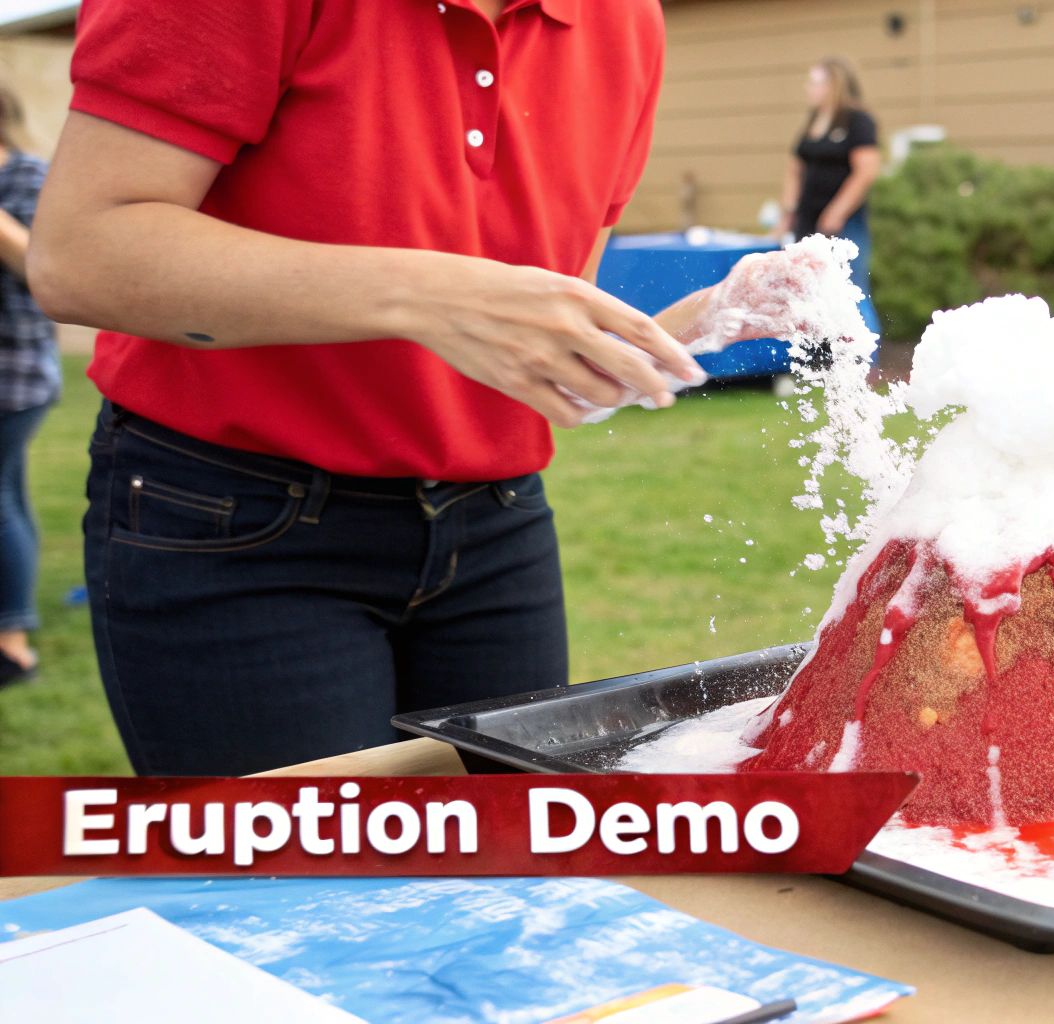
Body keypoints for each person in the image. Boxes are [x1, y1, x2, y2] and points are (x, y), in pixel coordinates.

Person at [28, 0, 819, 775]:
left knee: (518, 888)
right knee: (316, 898)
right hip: (236, 521)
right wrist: (429, 294)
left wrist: (694, 327)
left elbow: (531, 344)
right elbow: (79, 255)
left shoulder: (625, 21)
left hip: (495, 527)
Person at [0, 82, 55, 690]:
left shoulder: (27, 177)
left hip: (13, 375)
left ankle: (11, 642)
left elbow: (44, 267)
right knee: (6, 498)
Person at [780, 57, 882, 335]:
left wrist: (837, 211)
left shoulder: (857, 121)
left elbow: (867, 170)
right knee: (810, 293)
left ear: (832, 85)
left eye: (814, 82)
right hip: (808, 221)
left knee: (851, 290)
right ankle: (818, 364)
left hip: (844, 224)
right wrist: (789, 211)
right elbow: (795, 167)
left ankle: (865, 363)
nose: (807, 88)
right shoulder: (814, 122)